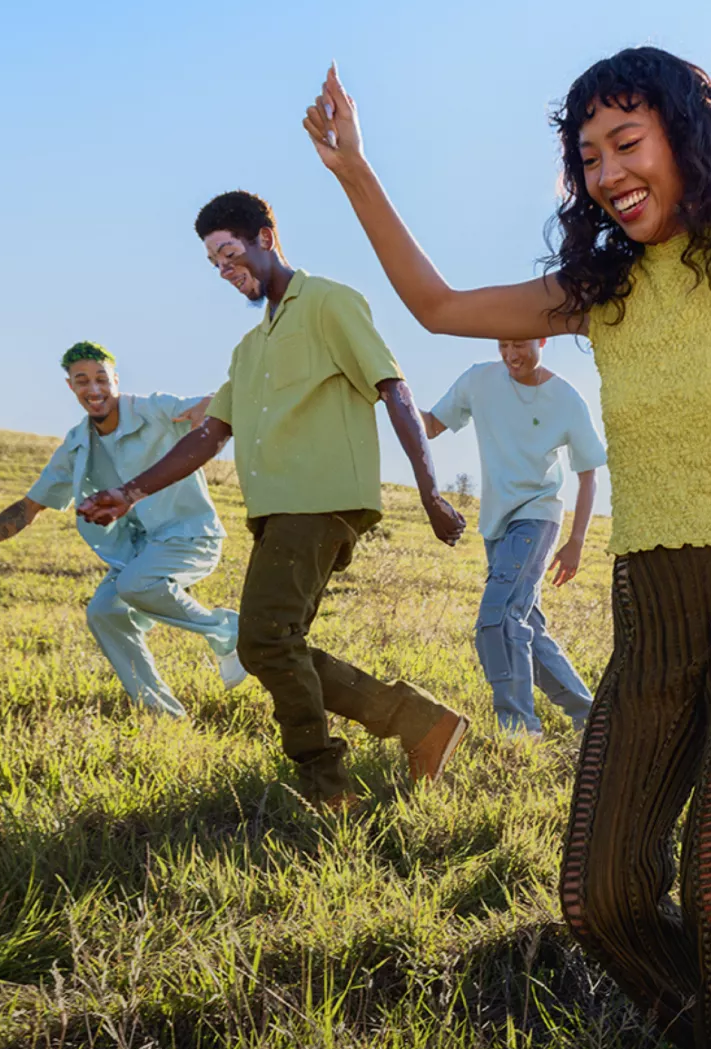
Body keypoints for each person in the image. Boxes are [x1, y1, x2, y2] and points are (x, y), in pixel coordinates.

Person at [300, 50, 711, 1049]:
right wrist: (355, 171)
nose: (608, 171)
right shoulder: (600, 289)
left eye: (627, 142)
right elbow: (434, 306)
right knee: (598, 893)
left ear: (684, 137)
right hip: (651, 614)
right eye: (589, 155)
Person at [77, 191, 472, 812]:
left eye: (230, 252)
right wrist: (129, 493)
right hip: (279, 514)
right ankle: (419, 720)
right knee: (274, 644)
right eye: (214, 262)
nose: (224, 268)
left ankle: (327, 784)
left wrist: (430, 492)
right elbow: (210, 435)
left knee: (264, 642)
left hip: (320, 504)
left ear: (266, 236)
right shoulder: (250, 347)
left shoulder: (329, 303)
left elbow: (394, 391)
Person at [0, 341, 243, 714]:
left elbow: (211, 405)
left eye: (101, 379)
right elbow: (28, 508)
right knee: (104, 613)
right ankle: (161, 712)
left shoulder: (153, 409)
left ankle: (229, 632)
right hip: (137, 552)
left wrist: (206, 409)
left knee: (134, 585)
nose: (93, 389)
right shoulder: (77, 445)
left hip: (189, 536)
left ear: (116, 379)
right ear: (71, 387)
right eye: (82, 381)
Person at [423, 338, 605, 738]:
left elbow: (588, 472)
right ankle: (593, 718)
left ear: (542, 339)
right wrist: (386, 396)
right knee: (525, 625)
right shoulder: (479, 380)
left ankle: (518, 727)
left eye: (520, 344)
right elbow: (431, 426)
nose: (511, 355)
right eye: (503, 346)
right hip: (496, 522)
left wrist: (576, 541)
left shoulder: (566, 399)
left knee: (499, 618)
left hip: (538, 516)